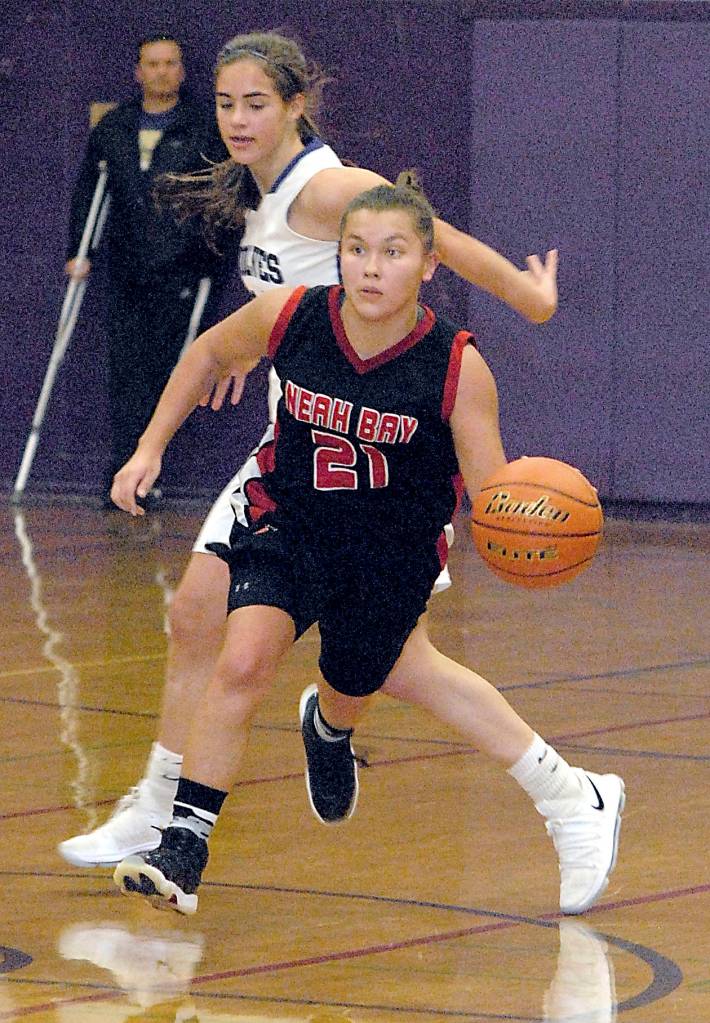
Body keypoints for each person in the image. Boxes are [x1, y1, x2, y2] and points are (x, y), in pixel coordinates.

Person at [58, 30, 559, 867]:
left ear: (296, 104)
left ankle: (561, 789)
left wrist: (526, 296)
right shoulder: (258, 189)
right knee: (199, 618)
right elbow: (293, 301)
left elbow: (438, 239)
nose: (238, 118)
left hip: (363, 461)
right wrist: (250, 350)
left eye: (257, 103)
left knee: (392, 664)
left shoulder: (329, 189)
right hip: (299, 438)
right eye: (225, 103)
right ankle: (167, 802)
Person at [108, 181, 624, 918]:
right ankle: (183, 846)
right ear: (337, 257)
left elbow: (491, 493)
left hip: (392, 552)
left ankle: (335, 725)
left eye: (391, 252)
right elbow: (209, 353)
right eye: (355, 251)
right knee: (242, 658)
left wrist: (529, 525)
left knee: (365, 678)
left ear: (427, 265)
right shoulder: (294, 314)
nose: (370, 267)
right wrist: (149, 447)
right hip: (291, 521)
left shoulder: (456, 365)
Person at [65, 33, 229, 495]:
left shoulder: (203, 127)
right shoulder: (114, 128)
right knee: (126, 373)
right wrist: (80, 251)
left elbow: (219, 197)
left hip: (180, 269)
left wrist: (210, 255)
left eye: (169, 63)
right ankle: (125, 470)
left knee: (168, 372)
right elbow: (87, 194)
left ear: (182, 70)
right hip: (126, 267)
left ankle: (153, 473)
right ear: (138, 71)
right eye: (152, 64)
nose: (160, 72)